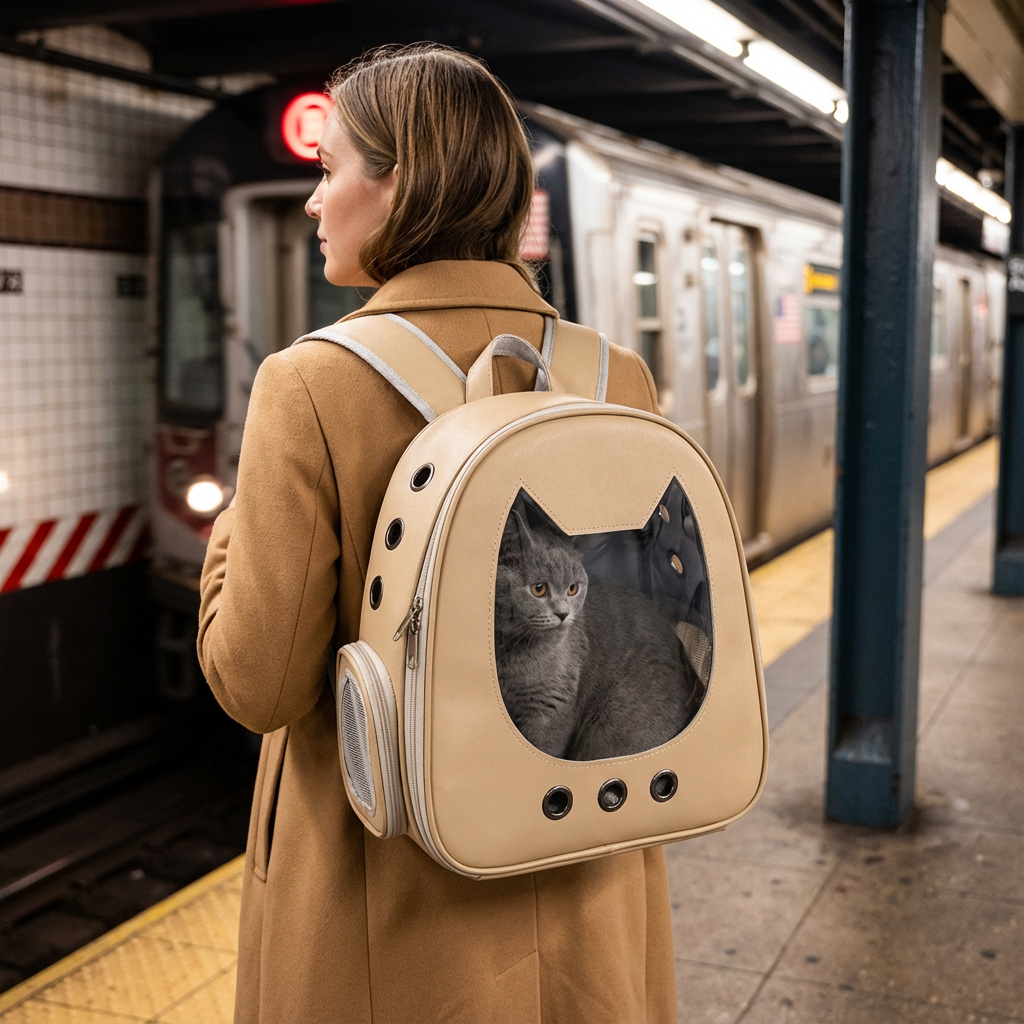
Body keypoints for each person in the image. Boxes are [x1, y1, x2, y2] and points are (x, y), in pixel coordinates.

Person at [198, 43, 678, 1024]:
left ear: (399, 182)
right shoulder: (613, 376)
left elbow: (258, 686)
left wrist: (236, 526)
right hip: (587, 868)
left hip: (389, 908)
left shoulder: (310, 383)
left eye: (328, 169)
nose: (313, 201)